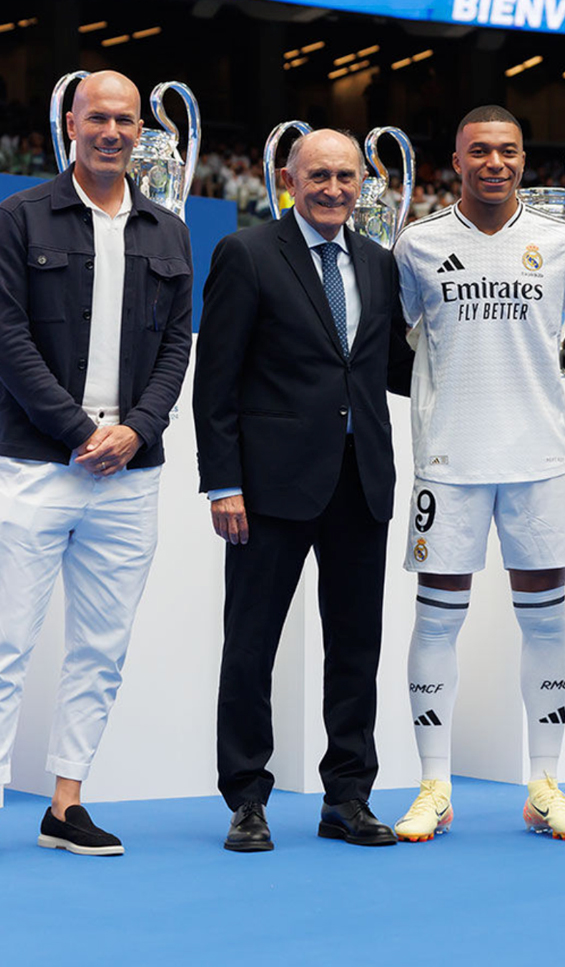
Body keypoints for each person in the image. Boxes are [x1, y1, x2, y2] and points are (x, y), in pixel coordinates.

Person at [0, 71, 193, 866]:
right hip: (39, 463)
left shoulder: (168, 229)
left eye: (126, 119)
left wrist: (137, 430)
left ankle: (66, 802)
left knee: (101, 646)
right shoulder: (19, 217)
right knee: (5, 637)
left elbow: (179, 341)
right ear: (71, 125)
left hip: (133, 474)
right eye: (98, 118)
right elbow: (5, 336)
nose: (112, 131)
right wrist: (85, 430)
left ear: (140, 129)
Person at [388, 105, 565, 843]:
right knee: (434, 618)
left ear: (524, 159)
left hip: (540, 460)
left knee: (546, 617)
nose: (494, 163)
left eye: (508, 152)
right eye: (479, 151)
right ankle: (434, 784)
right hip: (447, 460)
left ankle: (544, 782)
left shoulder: (563, 243)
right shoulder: (416, 246)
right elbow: (382, 343)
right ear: (456, 159)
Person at [194, 128, 413, 853]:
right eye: (318, 174)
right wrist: (223, 481)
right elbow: (216, 380)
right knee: (251, 644)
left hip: (361, 482)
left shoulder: (380, 264)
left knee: (357, 646)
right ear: (289, 178)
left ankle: (348, 795)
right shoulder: (247, 253)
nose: (333, 188)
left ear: (361, 185)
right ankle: (247, 797)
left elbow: (394, 369)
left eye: (346, 176)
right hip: (267, 487)